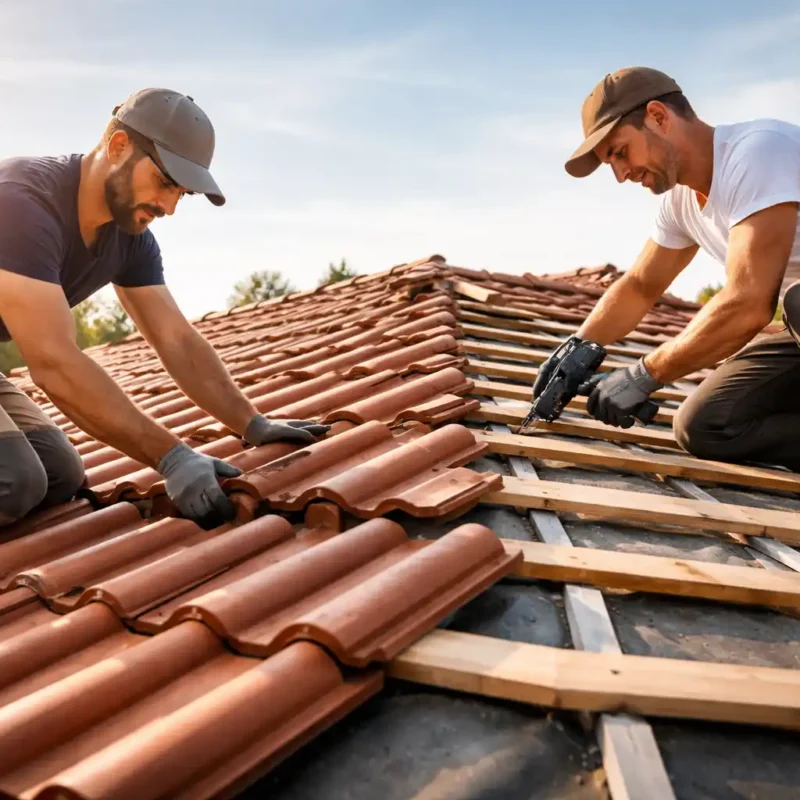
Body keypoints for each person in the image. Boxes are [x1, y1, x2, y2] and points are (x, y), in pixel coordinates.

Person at [0, 88, 329, 529]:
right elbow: (54, 362)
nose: (169, 208)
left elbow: (175, 339)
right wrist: (171, 457)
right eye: (165, 182)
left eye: (183, 194)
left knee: (60, 475)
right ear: (119, 148)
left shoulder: (129, 239)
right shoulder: (20, 204)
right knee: (16, 480)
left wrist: (250, 423)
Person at [534, 66, 800, 471]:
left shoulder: (760, 151)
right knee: (706, 424)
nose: (622, 175)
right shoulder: (680, 204)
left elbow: (748, 302)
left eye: (621, 153)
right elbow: (641, 285)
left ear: (658, 117)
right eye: (612, 165)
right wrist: (578, 349)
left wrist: (645, 374)